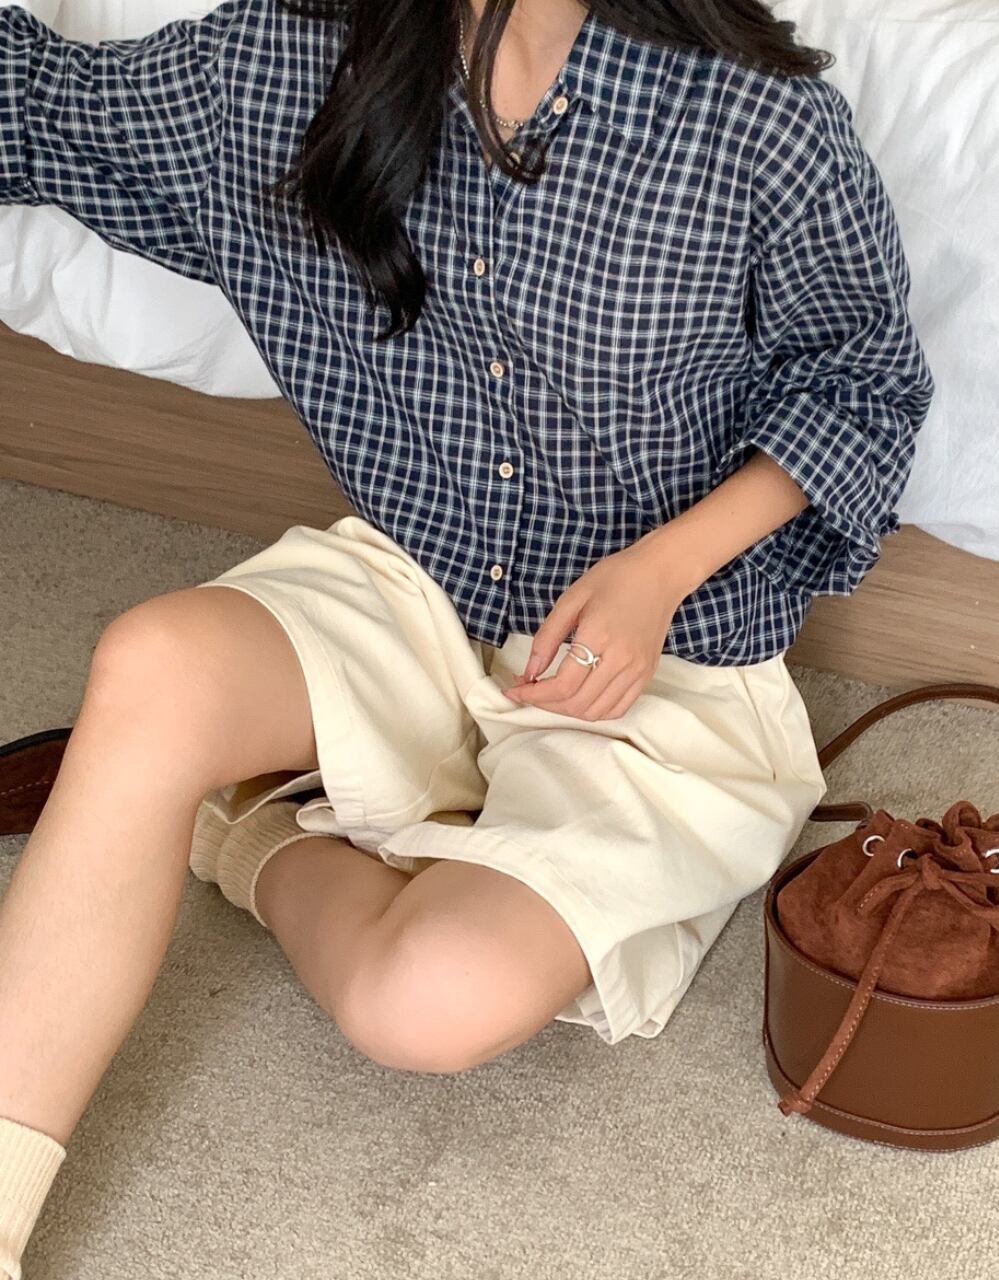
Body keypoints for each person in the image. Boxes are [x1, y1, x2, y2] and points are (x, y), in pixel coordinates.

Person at [0, 0, 934, 1272]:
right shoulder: (282, 58)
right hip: (412, 593)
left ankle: (246, 826)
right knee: (150, 664)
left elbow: (861, 382)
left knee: (424, 1001)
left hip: (663, 668)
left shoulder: (749, 115)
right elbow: (44, 108)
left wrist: (658, 571)